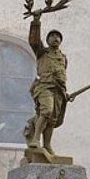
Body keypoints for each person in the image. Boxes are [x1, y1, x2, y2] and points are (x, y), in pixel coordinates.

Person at [23, 10, 70, 155]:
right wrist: (36, 21)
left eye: (58, 37)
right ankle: (35, 139)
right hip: (44, 87)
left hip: (58, 91)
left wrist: (66, 93)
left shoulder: (63, 57)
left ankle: (47, 145)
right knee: (47, 111)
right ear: (48, 40)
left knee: (52, 119)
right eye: (52, 36)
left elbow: (62, 77)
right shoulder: (42, 52)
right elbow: (34, 41)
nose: (55, 38)